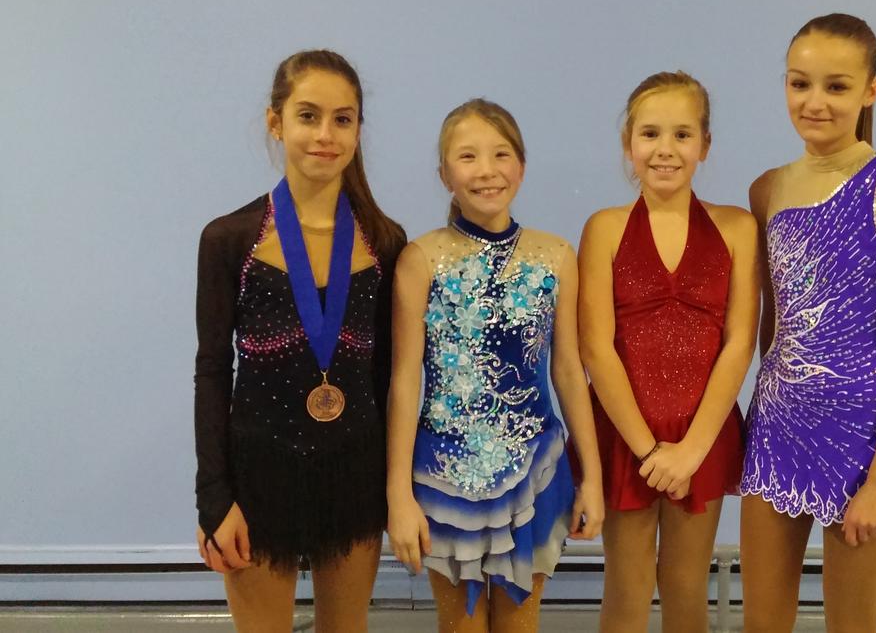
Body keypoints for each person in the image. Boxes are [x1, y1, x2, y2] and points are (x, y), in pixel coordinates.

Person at [193, 49, 406, 632]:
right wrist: (214, 499)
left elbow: (390, 377)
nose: (325, 135)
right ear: (275, 122)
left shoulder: (384, 242)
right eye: (308, 116)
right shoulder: (229, 239)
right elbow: (212, 371)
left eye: (343, 119)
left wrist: (398, 489)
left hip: (355, 473)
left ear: (358, 130)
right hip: (259, 475)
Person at [738, 13, 876, 633]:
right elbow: (772, 324)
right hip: (777, 426)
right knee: (761, 623)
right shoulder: (766, 189)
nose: (815, 102)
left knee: (851, 624)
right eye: (800, 84)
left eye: (837, 86)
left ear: (871, 90)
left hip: (864, 434)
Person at [386, 99, 605, 633]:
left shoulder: (556, 255)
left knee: (519, 624)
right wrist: (397, 493)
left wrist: (593, 477)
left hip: (536, 468)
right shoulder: (421, 258)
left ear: (522, 167)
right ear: (445, 174)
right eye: (468, 156)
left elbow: (569, 370)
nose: (486, 170)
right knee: (460, 625)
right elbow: (404, 380)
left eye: (501, 154)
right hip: (443, 474)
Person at [579, 71, 759, 633]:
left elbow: (739, 344)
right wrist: (649, 452)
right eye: (650, 133)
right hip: (627, 435)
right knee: (627, 589)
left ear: (705, 144)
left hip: (701, 436)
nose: (665, 149)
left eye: (682, 135)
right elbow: (596, 349)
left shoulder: (737, 227)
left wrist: (690, 451)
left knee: (685, 587)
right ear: (628, 144)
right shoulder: (605, 228)